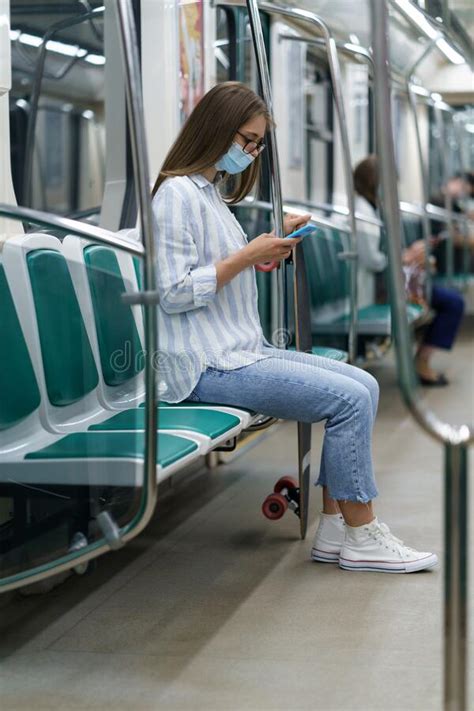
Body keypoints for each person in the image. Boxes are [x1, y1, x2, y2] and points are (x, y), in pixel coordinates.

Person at [152, 81, 437, 574]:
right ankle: (362, 530)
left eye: (257, 144)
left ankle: (333, 527)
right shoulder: (176, 195)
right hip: (202, 365)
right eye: (248, 140)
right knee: (346, 400)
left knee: (364, 384)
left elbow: (220, 268)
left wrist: (265, 250)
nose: (251, 152)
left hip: (239, 350)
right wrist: (247, 255)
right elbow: (173, 292)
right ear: (217, 130)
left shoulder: (211, 196)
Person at [353, 155, 465, 387]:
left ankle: (420, 358)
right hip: (375, 289)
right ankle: (421, 362)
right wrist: (406, 256)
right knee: (452, 303)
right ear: (375, 182)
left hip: (388, 282)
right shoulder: (362, 213)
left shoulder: (373, 209)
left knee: (449, 300)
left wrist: (411, 254)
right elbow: (374, 260)